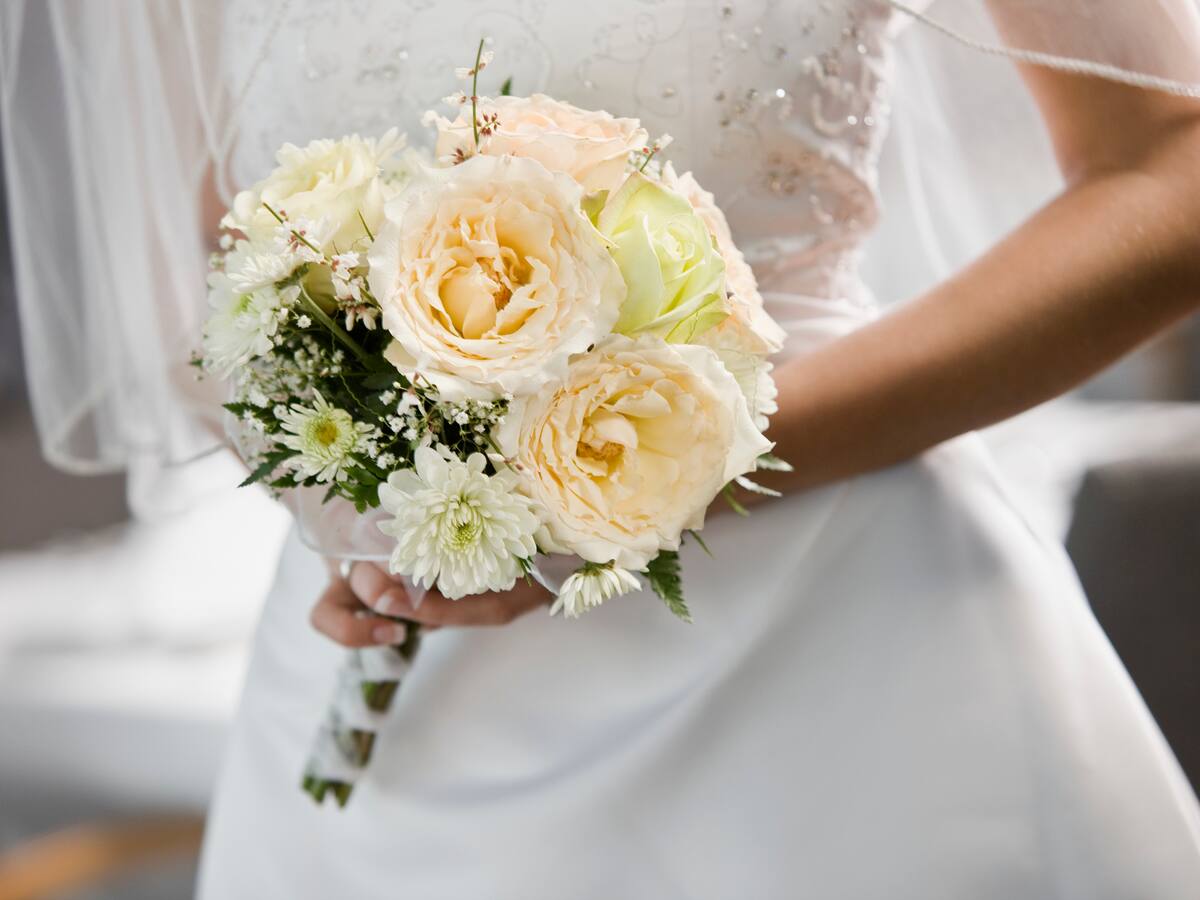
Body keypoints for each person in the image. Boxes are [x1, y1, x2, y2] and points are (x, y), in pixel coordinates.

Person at [3, 1, 1198, 896]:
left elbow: (1172, 168)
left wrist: (680, 460)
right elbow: (197, 260)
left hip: (852, 662)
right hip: (399, 713)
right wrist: (350, 491)